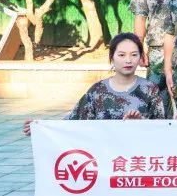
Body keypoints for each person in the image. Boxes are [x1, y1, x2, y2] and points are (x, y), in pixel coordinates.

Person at [22, 34, 162, 134]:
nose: (128, 60)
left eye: (134, 54)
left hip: (136, 161)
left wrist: (140, 124)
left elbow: (163, 129)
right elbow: (72, 122)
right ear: (112, 57)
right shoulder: (97, 91)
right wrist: (40, 128)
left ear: (140, 57)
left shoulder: (150, 89)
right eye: (121, 55)